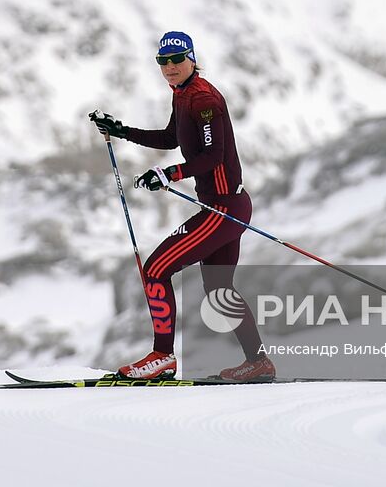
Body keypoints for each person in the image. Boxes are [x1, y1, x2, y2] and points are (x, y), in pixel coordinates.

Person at [91, 30, 275, 382]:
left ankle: (162, 357)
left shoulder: (203, 98)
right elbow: (171, 137)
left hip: (223, 209)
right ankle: (259, 362)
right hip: (227, 206)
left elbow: (212, 156)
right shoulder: (183, 95)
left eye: (177, 59)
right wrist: (122, 131)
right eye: (163, 61)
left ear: (192, 58)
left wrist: (169, 173)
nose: (170, 67)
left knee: (156, 269)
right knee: (219, 289)